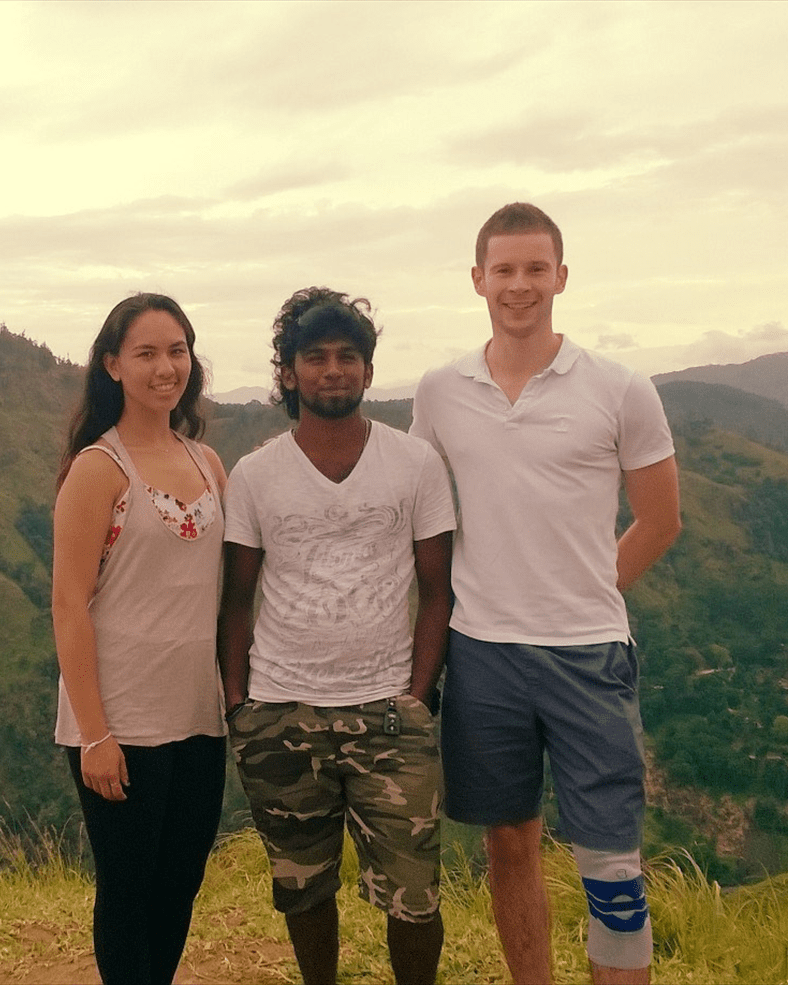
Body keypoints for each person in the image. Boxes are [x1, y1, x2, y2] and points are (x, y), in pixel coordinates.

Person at [410, 203, 682, 985]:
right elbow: (421, 515)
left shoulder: (620, 388)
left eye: (535, 269)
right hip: (483, 653)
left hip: (588, 653)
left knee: (611, 861)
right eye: (503, 269)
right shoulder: (439, 391)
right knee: (507, 841)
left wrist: (587, 589)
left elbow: (660, 520)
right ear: (476, 280)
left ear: (561, 276)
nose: (519, 285)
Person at [220, 288, 457, 985]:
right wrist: (240, 703)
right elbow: (235, 598)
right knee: (303, 885)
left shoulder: (413, 464)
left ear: (368, 370)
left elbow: (436, 589)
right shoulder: (256, 474)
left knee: (414, 897)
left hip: (389, 712)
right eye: (314, 357)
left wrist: (416, 696)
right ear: (287, 373)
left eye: (347, 357)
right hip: (280, 709)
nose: (332, 370)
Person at [52, 293, 229, 985]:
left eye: (177, 350)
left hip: (196, 715)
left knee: (177, 882)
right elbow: (68, 604)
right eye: (147, 353)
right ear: (112, 364)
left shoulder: (208, 463)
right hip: (119, 720)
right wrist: (94, 733)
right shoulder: (100, 468)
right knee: (126, 889)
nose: (165, 367)